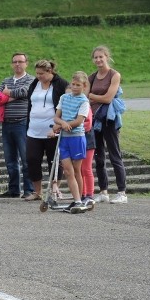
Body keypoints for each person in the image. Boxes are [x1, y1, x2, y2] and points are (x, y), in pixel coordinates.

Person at [88, 45, 127, 204]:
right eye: (95, 57)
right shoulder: (92, 77)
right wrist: (94, 97)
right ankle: (103, 191)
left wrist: (91, 95)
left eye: (101, 57)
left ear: (107, 57)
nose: (98, 60)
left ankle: (122, 192)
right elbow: (85, 97)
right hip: (95, 119)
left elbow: (108, 98)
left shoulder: (114, 75)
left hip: (109, 120)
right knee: (98, 157)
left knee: (114, 154)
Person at [25, 60, 67, 202]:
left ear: (50, 72)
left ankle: (54, 189)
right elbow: (30, 103)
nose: (38, 76)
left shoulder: (61, 84)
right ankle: (37, 192)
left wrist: (60, 124)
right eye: (37, 73)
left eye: (41, 74)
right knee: (32, 159)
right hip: (33, 130)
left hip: (52, 130)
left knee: (54, 161)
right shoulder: (34, 84)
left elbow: (66, 104)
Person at [0, 52, 35, 199]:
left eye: (20, 61)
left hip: (22, 122)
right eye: (15, 62)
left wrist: (7, 94)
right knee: (10, 159)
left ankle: (29, 190)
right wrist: (11, 96)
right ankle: (13, 189)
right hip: (6, 124)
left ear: (26, 63)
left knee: (25, 158)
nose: (17, 64)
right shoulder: (6, 80)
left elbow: (25, 92)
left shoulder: (31, 79)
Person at [53, 72, 90, 214]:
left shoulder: (84, 101)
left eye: (78, 85)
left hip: (77, 138)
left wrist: (65, 124)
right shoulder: (64, 97)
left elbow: (79, 120)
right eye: (73, 84)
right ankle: (77, 200)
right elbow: (57, 117)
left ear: (84, 86)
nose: (74, 87)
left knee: (76, 170)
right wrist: (62, 123)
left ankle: (79, 199)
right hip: (64, 138)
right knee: (68, 171)